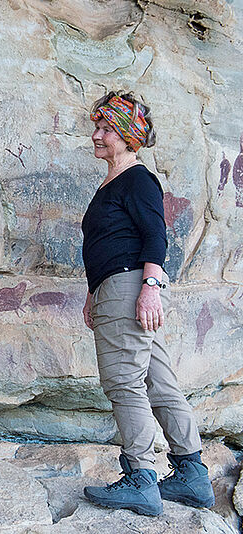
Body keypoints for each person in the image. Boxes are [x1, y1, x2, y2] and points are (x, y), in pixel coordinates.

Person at [80, 91, 214, 516]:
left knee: (124, 382)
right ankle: (192, 474)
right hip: (118, 288)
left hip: (130, 288)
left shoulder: (137, 178)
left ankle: (141, 477)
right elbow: (107, 242)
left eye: (106, 130)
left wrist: (150, 286)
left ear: (128, 137)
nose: (97, 136)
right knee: (158, 381)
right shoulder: (115, 180)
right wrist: (91, 292)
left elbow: (157, 236)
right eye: (97, 127)